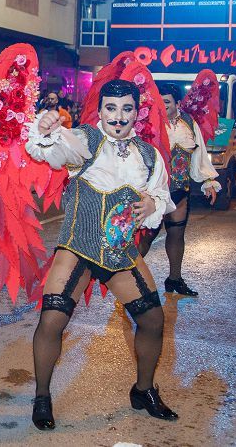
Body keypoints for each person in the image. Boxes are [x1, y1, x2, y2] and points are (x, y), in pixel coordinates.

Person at [26, 79, 178, 430]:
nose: (118, 116)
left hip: (120, 252)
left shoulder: (148, 154)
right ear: (101, 110)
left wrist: (152, 203)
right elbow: (54, 151)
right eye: (111, 108)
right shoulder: (84, 140)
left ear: (137, 112)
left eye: (126, 108)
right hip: (78, 248)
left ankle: (143, 390)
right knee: (52, 320)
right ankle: (43, 397)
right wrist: (47, 129)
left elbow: (161, 194)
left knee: (153, 320)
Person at [137, 83, 220, 297]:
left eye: (167, 102)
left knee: (176, 234)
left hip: (180, 191)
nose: (162, 107)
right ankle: (130, 282)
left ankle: (174, 278)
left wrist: (208, 181)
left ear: (177, 103)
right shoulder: (147, 123)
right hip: (153, 193)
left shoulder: (189, 124)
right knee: (146, 237)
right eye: (159, 102)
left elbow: (199, 155)